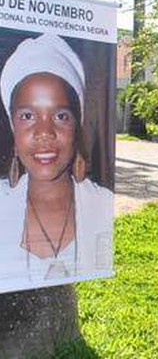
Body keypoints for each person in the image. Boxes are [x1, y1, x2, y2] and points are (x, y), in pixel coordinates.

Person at [0, 33, 113, 290]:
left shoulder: (102, 204)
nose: (45, 132)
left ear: (77, 127)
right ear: (12, 129)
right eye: (28, 116)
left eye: (61, 115)